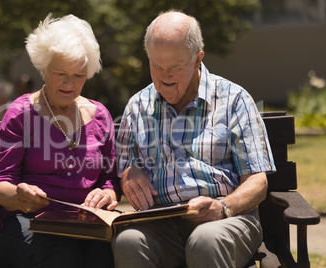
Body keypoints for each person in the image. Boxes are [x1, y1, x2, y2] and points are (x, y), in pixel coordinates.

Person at [114, 10, 276, 268]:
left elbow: (258, 181)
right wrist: (129, 174)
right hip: (162, 224)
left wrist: (222, 206)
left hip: (226, 220)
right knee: (129, 240)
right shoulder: (137, 106)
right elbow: (124, 169)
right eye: (156, 65)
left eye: (176, 67)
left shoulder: (233, 99)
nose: (164, 76)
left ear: (198, 58)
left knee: (204, 240)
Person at [0, 14, 120, 268]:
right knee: (62, 256)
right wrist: (18, 195)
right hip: (25, 221)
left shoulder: (100, 115)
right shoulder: (22, 113)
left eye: (79, 76)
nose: (69, 84)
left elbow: (110, 178)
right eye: (60, 74)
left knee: (104, 257)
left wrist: (107, 193)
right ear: (43, 68)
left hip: (84, 225)